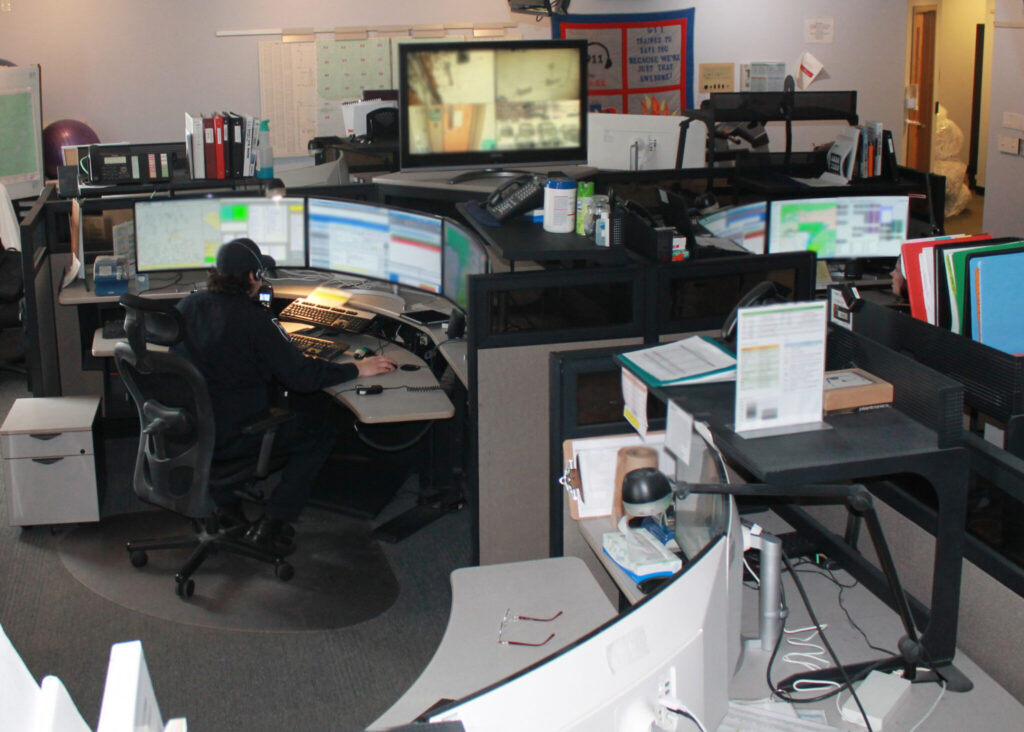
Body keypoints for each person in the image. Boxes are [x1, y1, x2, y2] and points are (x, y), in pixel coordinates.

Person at [173, 237, 397, 551]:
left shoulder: (188, 305)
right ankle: (275, 520)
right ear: (253, 277)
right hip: (237, 434)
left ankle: (225, 506)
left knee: (240, 397)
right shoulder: (254, 320)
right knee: (320, 428)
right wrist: (357, 368)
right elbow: (303, 377)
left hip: (190, 428)